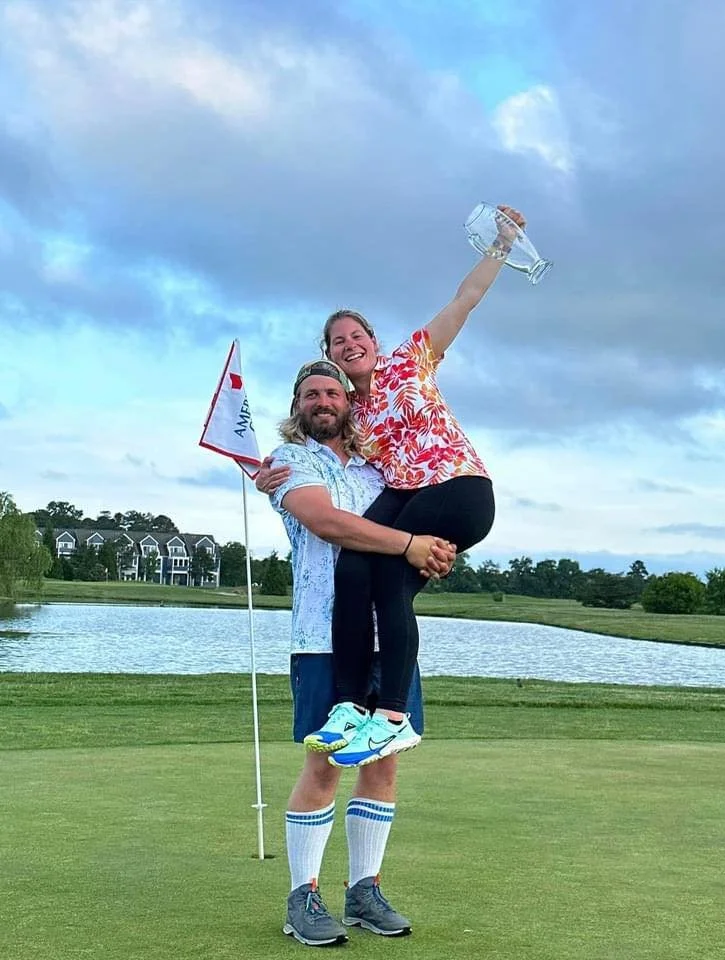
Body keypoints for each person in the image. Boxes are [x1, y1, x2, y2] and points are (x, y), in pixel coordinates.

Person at [259, 204, 525, 768]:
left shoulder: (411, 361)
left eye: (356, 334)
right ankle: (353, 707)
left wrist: (500, 245)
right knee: (355, 564)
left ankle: (393, 715)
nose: (348, 343)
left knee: (385, 576)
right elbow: (310, 456)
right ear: (328, 355)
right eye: (336, 341)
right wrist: (260, 476)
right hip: (413, 500)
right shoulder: (345, 413)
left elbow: (464, 301)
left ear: (374, 341)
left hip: (459, 486)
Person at [271, 359, 455, 947]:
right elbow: (329, 523)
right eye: (310, 394)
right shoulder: (290, 463)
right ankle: (303, 898)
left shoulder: (383, 465)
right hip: (322, 638)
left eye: (332, 391)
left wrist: (434, 554)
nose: (323, 400)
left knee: (384, 761)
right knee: (325, 762)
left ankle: (363, 891)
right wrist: (411, 544)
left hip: (389, 636)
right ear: (297, 407)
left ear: (348, 402)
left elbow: (420, 523)